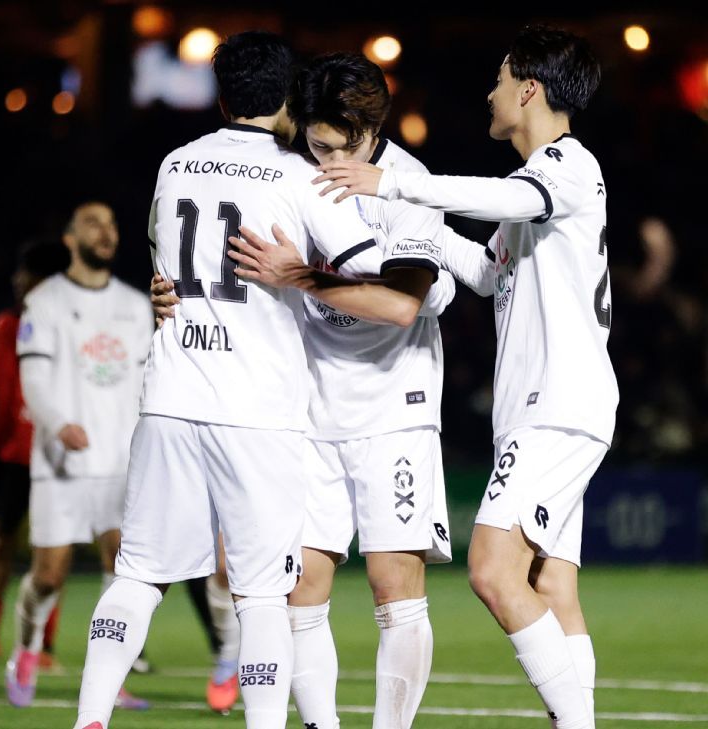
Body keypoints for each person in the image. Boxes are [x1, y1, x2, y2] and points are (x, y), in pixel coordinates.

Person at [71, 31, 440, 729]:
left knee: (138, 575)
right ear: (287, 98)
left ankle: (90, 716)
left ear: (219, 94)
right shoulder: (296, 172)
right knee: (265, 593)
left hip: (170, 397)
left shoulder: (175, 163)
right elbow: (373, 278)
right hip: (258, 409)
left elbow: (169, 269)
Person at [307, 24, 615, 729]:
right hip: (552, 406)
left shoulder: (569, 165)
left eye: (502, 78)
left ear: (529, 88)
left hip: (559, 404)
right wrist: (412, 211)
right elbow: (483, 271)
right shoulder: (537, 188)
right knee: (551, 582)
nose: (491, 91)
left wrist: (393, 180)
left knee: (491, 568)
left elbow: (510, 200)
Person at [5, 202, 152, 710]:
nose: (106, 232)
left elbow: (145, 381)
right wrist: (58, 423)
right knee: (49, 577)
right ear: (69, 238)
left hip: (118, 463)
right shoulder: (45, 302)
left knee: (123, 577)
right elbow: (33, 379)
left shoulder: (137, 306)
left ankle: (109, 679)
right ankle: (24, 649)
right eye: (93, 223)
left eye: (112, 223)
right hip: (61, 465)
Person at [0, 238, 69, 671]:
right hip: (19, 455)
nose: (18, 281)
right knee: (16, 545)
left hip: (44, 454)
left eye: (27, 273)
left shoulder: (29, 326)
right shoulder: (10, 325)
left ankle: (31, 645)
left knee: (38, 551)